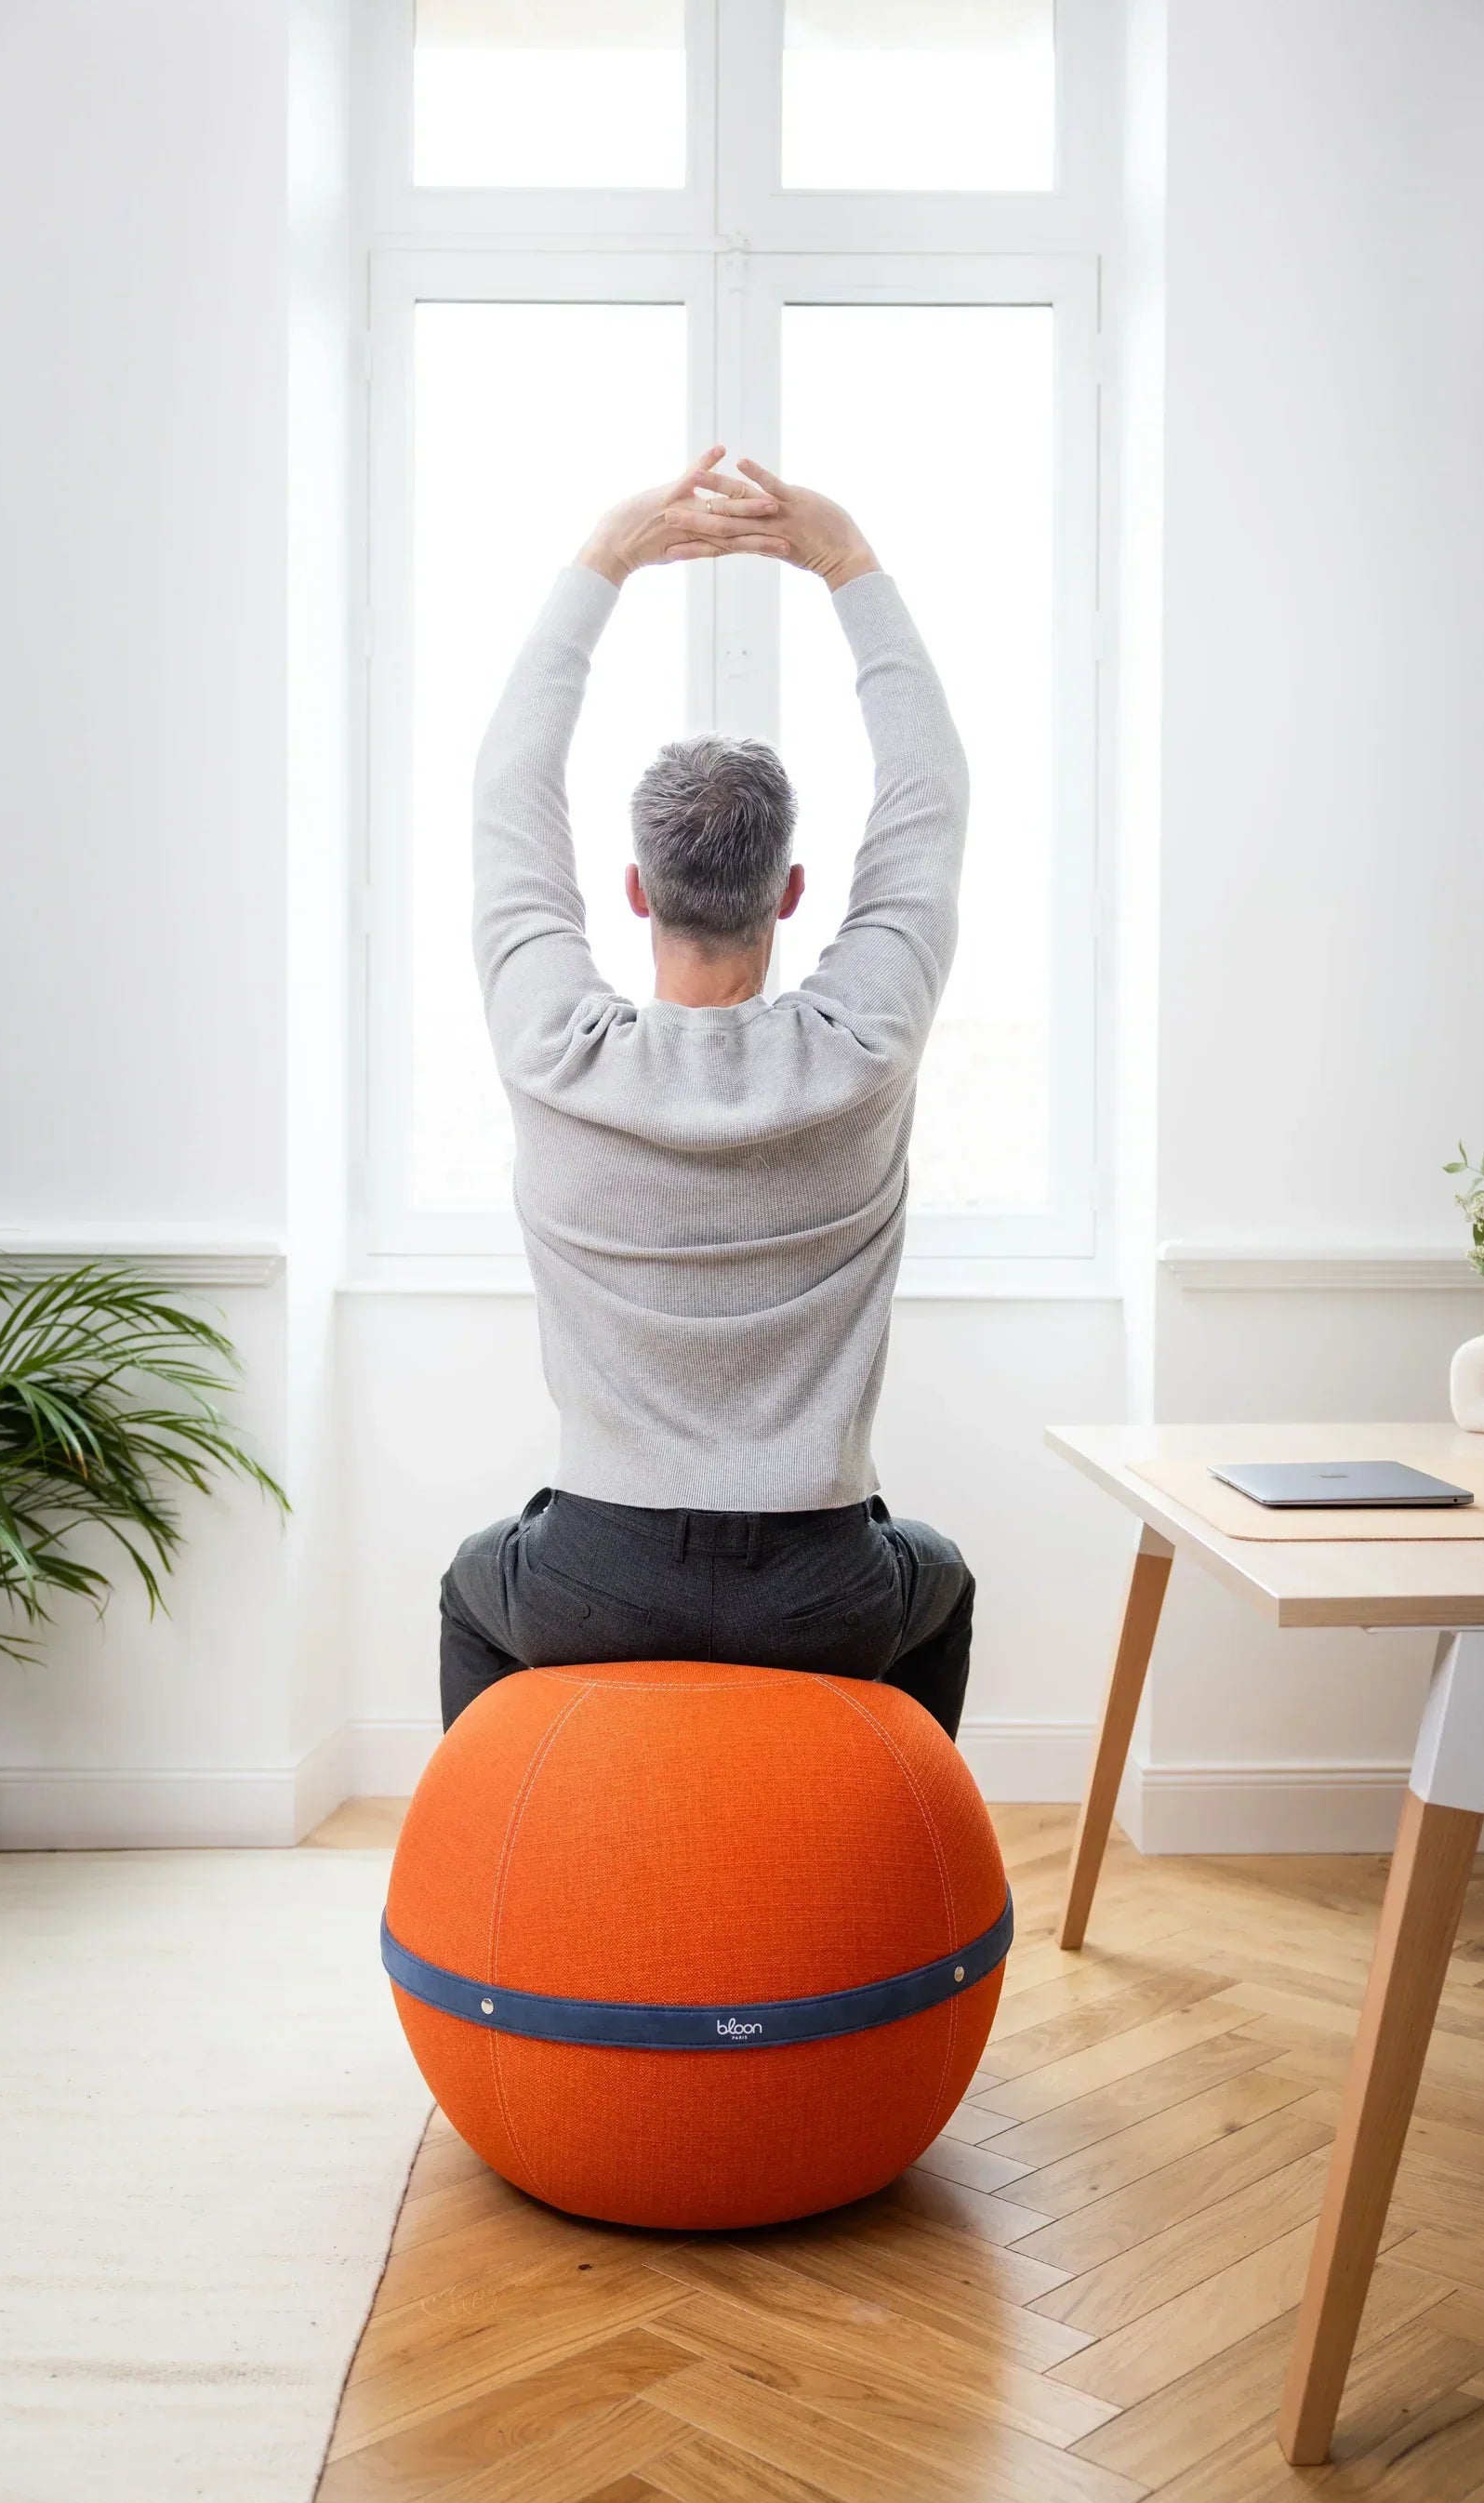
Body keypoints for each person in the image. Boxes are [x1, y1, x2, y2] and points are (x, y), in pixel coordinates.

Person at [438, 445, 975, 1740]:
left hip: (592, 1579)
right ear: (794, 892)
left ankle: (503, 1912)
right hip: (823, 1587)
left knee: (470, 1583)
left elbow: (507, 790)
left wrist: (604, 559)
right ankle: (889, 1896)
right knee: (941, 1579)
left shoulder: (553, 1052)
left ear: (633, 889)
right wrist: (846, 560)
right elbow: (930, 795)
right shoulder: (864, 1046)